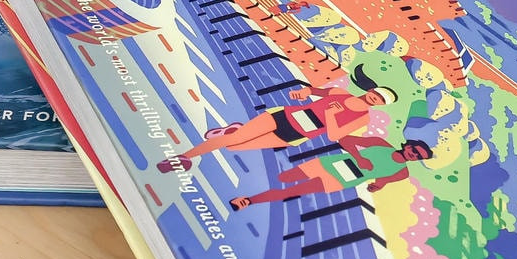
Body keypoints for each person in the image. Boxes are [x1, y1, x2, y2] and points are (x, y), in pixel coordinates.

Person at [153, 84, 396, 173]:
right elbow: (314, 91)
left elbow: (334, 135)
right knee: (233, 141)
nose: (374, 98)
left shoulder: (362, 118)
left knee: (235, 146)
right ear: (370, 90)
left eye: (380, 100)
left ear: (380, 105)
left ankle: (231, 131)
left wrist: (332, 116)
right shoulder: (341, 92)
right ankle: (183, 157)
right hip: (284, 116)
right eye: (376, 94)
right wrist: (304, 92)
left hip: (295, 134)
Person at [227, 137, 435, 210]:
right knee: (283, 178)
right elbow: (346, 140)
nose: (414, 155)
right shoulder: (381, 143)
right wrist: (359, 157)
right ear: (408, 145)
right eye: (415, 150)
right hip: (329, 165)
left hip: (340, 180)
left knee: (291, 192)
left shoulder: (402, 172)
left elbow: (382, 181)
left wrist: (376, 186)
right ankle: (248, 188)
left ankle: (249, 200)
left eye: (419, 157)